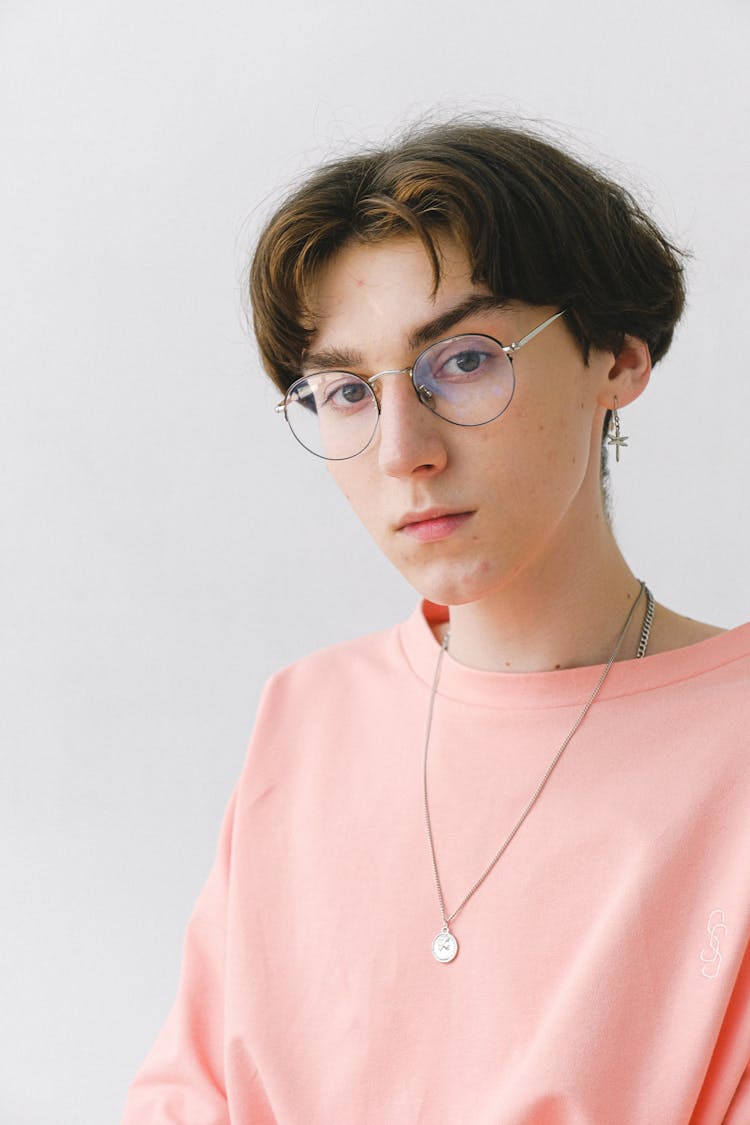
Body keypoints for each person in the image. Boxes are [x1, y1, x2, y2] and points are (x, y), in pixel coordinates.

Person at [121, 120, 750, 1123]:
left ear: (618, 357)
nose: (401, 450)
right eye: (344, 391)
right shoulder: (309, 716)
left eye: (463, 361)